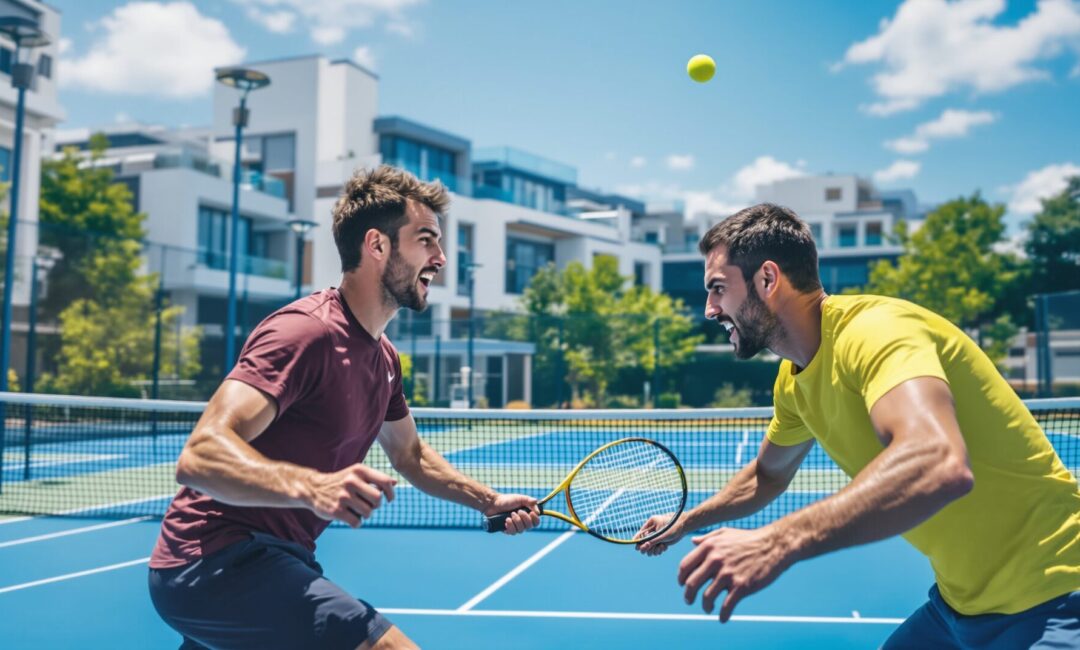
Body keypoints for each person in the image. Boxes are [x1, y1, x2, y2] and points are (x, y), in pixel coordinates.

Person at [636, 203, 1080, 648]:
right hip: (960, 606)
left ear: (767, 280)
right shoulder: (793, 381)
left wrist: (777, 541)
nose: (710, 309)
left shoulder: (875, 331)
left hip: (1057, 595)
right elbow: (766, 476)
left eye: (718, 288)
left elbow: (938, 462)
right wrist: (686, 521)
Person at [148, 165, 540, 650]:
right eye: (426, 240)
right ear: (377, 245)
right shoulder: (304, 333)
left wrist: (489, 500)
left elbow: (410, 456)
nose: (440, 257)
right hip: (216, 563)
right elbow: (200, 455)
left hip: (280, 559)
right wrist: (313, 485)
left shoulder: (384, 358)